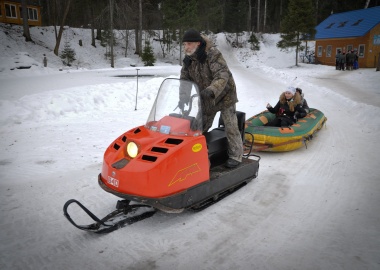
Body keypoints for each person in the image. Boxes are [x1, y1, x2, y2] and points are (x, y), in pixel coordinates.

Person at [179, 29, 243, 168]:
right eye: (184, 45)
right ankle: (195, 154)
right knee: (199, 126)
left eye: (189, 44)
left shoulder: (212, 54)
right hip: (206, 96)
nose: (186, 47)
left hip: (224, 94)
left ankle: (236, 155)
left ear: (198, 43)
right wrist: (183, 98)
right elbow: (184, 80)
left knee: (230, 125)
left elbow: (222, 74)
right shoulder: (188, 60)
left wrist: (212, 90)